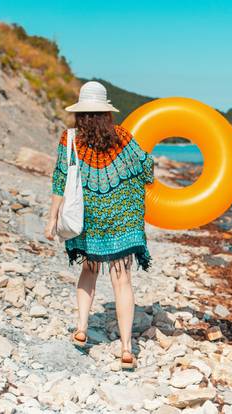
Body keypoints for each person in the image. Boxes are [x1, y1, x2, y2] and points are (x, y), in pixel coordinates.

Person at [44, 81, 154, 370]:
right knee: (123, 281)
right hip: (122, 220)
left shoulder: (69, 139)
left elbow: (59, 179)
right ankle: (127, 348)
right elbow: (146, 167)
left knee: (88, 271)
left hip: (87, 218)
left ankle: (81, 328)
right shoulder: (122, 138)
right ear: (107, 113)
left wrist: (52, 218)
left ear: (80, 113)